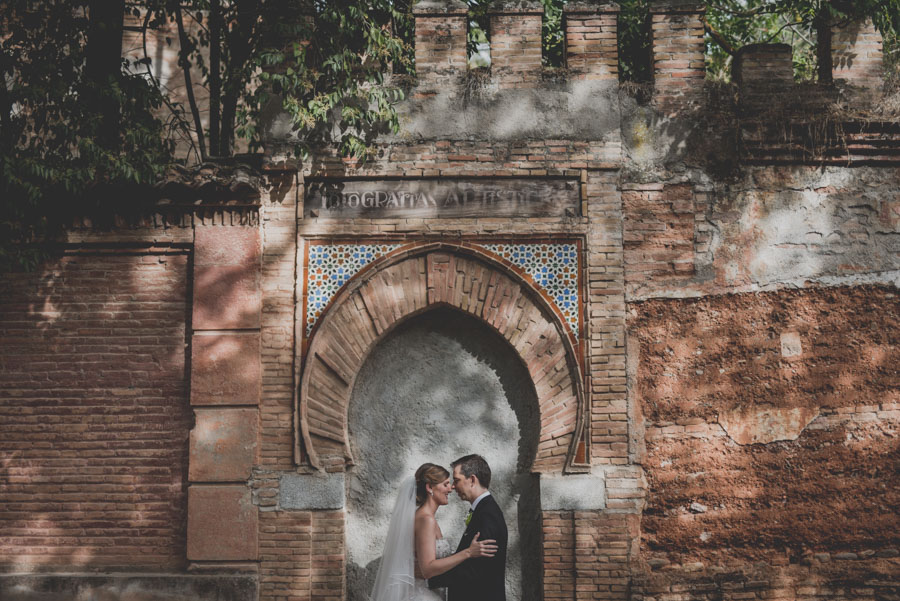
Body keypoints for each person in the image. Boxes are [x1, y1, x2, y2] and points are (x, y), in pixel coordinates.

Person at [370, 462, 498, 601]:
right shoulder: (426, 520)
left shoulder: (426, 518)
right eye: (445, 484)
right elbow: (428, 569)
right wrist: (468, 552)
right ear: (430, 487)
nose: (451, 489)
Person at [428, 455, 508, 601]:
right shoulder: (483, 510)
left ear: (472, 480)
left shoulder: (488, 514)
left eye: (456, 480)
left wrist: (429, 577)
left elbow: (475, 569)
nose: (453, 486)